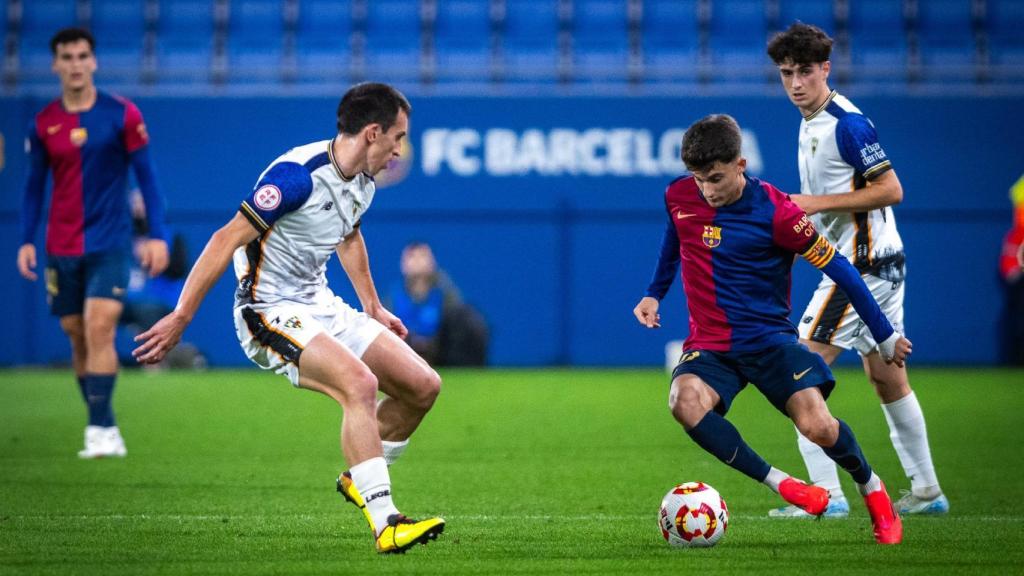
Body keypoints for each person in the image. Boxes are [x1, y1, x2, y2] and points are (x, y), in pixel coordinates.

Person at [132, 83, 445, 554]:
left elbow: (349, 236)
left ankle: (360, 475)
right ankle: (387, 523)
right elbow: (224, 239)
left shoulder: (363, 181)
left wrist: (373, 307)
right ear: (373, 132)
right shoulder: (297, 177)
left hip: (318, 302)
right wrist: (181, 316)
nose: (400, 149)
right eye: (398, 137)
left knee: (423, 386)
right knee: (358, 385)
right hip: (266, 309)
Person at [633, 114, 909, 544]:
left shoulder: (778, 212)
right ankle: (785, 484)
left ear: (740, 165)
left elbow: (843, 269)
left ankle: (872, 489)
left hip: (770, 341)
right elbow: (675, 242)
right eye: (699, 179)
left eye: (716, 178)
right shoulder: (678, 195)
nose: (707, 189)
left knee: (818, 425)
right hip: (712, 345)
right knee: (683, 402)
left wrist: (885, 333)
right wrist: (654, 293)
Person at [765, 22, 947, 517]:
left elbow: (891, 189)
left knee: (793, 371)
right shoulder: (811, 120)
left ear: (826, 69)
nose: (796, 82)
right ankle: (928, 491)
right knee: (888, 378)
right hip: (881, 262)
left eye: (806, 72)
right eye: (787, 73)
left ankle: (826, 496)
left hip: (861, 266)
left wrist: (814, 203)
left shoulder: (848, 123)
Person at [16, 28, 169, 459]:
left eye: (83, 55)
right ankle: (105, 421)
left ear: (94, 61)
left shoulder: (122, 115)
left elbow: (148, 178)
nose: (76, 63)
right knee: (76, 335)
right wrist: (26, 239)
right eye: (67, 56)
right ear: (56, 64)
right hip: (60, 246)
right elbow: (32, 189)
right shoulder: (43, 122)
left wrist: (156, 234)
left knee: (100, 327)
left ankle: (98, 429)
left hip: (111, 241)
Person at [388, 242, 489, 366]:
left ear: (432, 263)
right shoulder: (392, 299)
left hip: (440, 355)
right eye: (412, 257)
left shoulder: (447, 296)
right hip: (405, 355)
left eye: (422, 256)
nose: (418, 262)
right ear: (403, 264)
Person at [999, 174, 1024, 365]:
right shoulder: (1017, 234)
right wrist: (1013, 273)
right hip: (1019, 284)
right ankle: (1015, 359)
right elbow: (1010, 256)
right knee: (1017, 322)